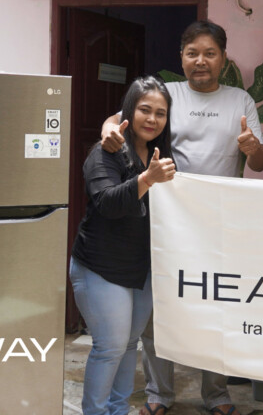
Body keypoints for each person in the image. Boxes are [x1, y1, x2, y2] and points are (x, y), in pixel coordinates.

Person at [100, 20, 263, 415]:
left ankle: (217, 394)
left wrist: (252, 147)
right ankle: (159, 394)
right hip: (167, 221)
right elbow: (118, 120)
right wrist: (108, 130)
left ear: (223, 59)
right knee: (160, 307)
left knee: (218, 304)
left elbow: (260, 163)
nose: (201, 61)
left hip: (221, 225)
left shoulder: (240, 101)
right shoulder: (167, 94)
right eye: (193, 53)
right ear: (181, 57)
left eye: (210, 53)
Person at [70, 76, 177, 415]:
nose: (152, 119)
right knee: (110, 347)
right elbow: (108, 203)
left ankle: (118, 410)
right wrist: (147, 179)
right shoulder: (106, 152)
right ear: (128, 110)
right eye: (145, 110)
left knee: (129, 344)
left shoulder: (161, 154)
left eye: (160, 113)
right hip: (101, 266)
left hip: (140, 268)